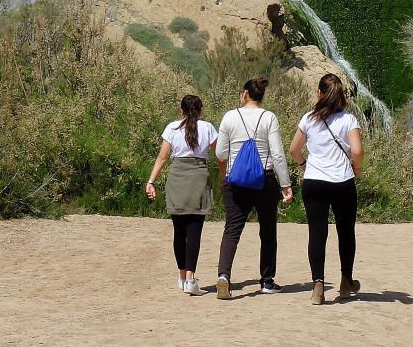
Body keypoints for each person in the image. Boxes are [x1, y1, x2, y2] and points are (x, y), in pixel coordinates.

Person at [289, 73, 365, 305]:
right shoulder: (348, 120)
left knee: (317, 234)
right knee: (346, 232)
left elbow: (294, 150)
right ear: (341, 96)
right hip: (342, 181)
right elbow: (358, 151)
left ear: (319, 94)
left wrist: (304, 165)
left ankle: (318, 286)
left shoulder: (308, 119)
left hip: (314, 182)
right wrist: (356, 167)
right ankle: (345, 281)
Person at [214, 77, 293, 299]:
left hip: (235, 181)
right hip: (264, 180)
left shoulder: (230, 116)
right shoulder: (269, 117)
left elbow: (220, 153)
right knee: (268, 231)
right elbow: (277, 154)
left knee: (232, 229)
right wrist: (285, 184)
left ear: (245, 93)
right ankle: (267, 281)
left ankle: (224, 276)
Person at [146, 94, 218, 296]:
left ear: (182, 110)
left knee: (179, 231)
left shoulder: (172, 128)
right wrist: (225, 175)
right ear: (201, 110)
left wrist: (150, 181)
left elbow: (162, 157)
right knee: (194, 232)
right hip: (199, 178)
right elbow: (220, 154)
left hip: (177, 178)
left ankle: (181, 276)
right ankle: (190, 279)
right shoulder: (208, 128)